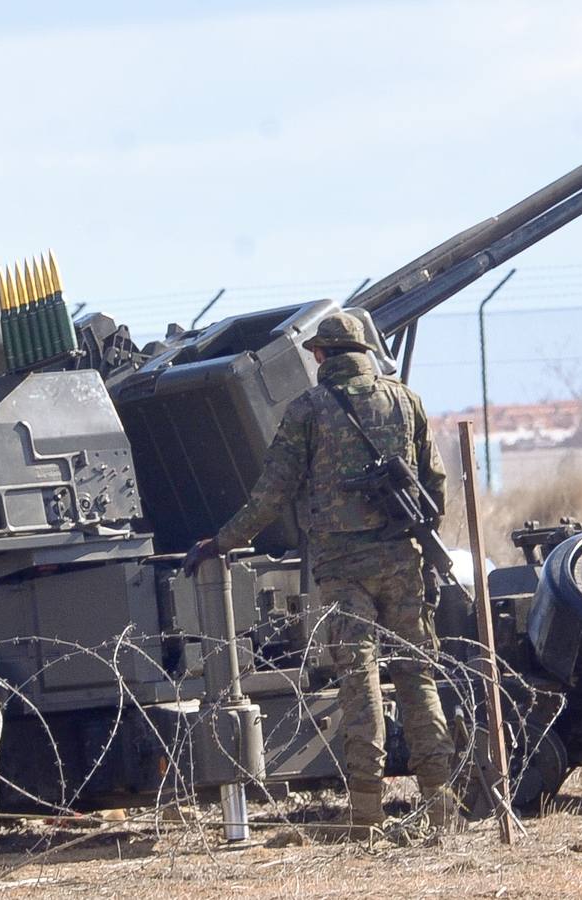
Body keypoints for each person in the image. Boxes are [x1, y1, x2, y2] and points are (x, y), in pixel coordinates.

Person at [183, 311, 456, 837]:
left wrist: (220, 542)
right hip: (402, 560)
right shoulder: (405, 401)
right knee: (418, 678)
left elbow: (271, 495)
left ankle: (367, 816)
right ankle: (442, 811)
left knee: (360, 686)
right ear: (367, 351)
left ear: (320, 355)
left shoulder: (308, 410)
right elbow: (434, 486)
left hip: (341, 569)